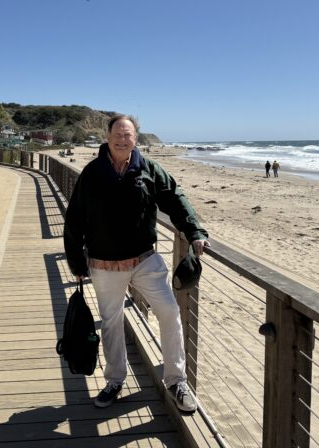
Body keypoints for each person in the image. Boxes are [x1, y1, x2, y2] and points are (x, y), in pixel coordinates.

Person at [64, 114, 210, 413]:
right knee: (111, 322)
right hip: (104, 266)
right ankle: (115, 380)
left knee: (169, 312)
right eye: (117, 134)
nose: (122, 139)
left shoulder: (148, 169)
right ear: (107, 137)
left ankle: (176, 380)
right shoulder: (92, 173)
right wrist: (77, 262)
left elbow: (175, 198)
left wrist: (195, 231)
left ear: (135, 138)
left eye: (127, 134)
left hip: (145, 261)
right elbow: (75, 219)